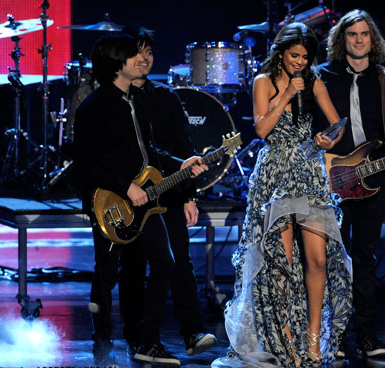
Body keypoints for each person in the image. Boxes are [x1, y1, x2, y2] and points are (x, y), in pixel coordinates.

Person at [219, 22, 353, 367]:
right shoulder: (263, 82)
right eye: (295, 56)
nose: (300, 63)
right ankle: (287, 342)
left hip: (308, 172)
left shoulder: (314, 81)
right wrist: (287, 95)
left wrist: (328, 139)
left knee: (318, 258)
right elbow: (262, 128)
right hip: (275, 174)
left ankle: (313, 339)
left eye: (306, 58)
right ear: (280, 53)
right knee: (282, 264)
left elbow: (338, 126)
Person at [73, 33, 207, 366]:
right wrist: (123, 185)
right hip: (109, 202)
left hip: (143, 201)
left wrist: (181, 165)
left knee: (165, 262)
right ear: (117, 63)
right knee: (108, 272)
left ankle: (148, 341)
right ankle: (102, 343)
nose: (141, 60)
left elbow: (149, 153)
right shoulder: (95, 106)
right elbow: (86, 162)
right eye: (133, 55)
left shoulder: (139, 99)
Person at [316, 9, 385, 359]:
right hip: (330, 178)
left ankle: (366, 336)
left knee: (364, 259)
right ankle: (332, 338)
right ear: (341, 39)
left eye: (365, 34)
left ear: (373, 39)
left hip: (373, 181)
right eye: (352, 34)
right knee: (331, 261)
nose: (359, 39)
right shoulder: (322, 77)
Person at [117, 25, 217, 359]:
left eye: (149, 52)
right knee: (134, 266)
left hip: (171, 193)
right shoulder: (117, 97)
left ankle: (192, 332)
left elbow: (184, 146)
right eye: (137, 52)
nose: (144, 59)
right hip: (133, 196)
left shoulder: (165, 97)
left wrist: (190, 195)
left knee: (180, 262)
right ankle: (138, 337)